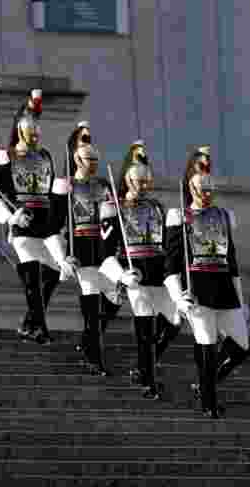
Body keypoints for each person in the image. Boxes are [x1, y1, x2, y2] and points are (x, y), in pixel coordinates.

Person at [163, 147, 250, 418]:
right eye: (202, 188)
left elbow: (233, 262)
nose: (207, 193)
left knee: (243, 344)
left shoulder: (224, 215)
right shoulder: (180, 216)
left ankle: (205, 384)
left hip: (225, 290)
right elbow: (170, 265)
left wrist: (241, 299)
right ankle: (209, 403)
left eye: (210, 188)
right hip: (197, 289)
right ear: (190, 184)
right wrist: (178, 297)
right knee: (207, 344)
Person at [0, 89, 60, 343]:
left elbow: (51, 193)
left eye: (38, 130)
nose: (36, 135)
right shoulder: (5, 156)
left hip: (45, 224)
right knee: (31, 274)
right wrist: (11, 217)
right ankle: (40, 327)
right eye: (31, 130)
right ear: (19, 128)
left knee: (53, 273)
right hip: (22, 223)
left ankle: (30, 321)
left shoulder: (46, 156)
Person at [100, 139, 174, 398]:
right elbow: (105, 254)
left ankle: (145, 367)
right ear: (128, 180)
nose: (143, 187)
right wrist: (121, 275)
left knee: (175, 320)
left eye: (146, 182)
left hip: (160, 275)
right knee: (145, 327)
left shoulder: (157, 208)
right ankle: (148, 381)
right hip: (135, 275)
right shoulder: (113, 209)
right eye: (138, 182)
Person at [44, 121, 116, 376]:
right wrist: (61, 257)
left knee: (114, 298)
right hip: (81, 251)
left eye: (95, 159)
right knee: (92, 303)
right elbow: (52, 226)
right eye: (88, 159)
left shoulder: (104, 186)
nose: (93, 163)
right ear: (76, 158)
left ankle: (87, 340)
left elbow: (112, 223)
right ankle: (94, 355)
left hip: (103, 251)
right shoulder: (64, 186)